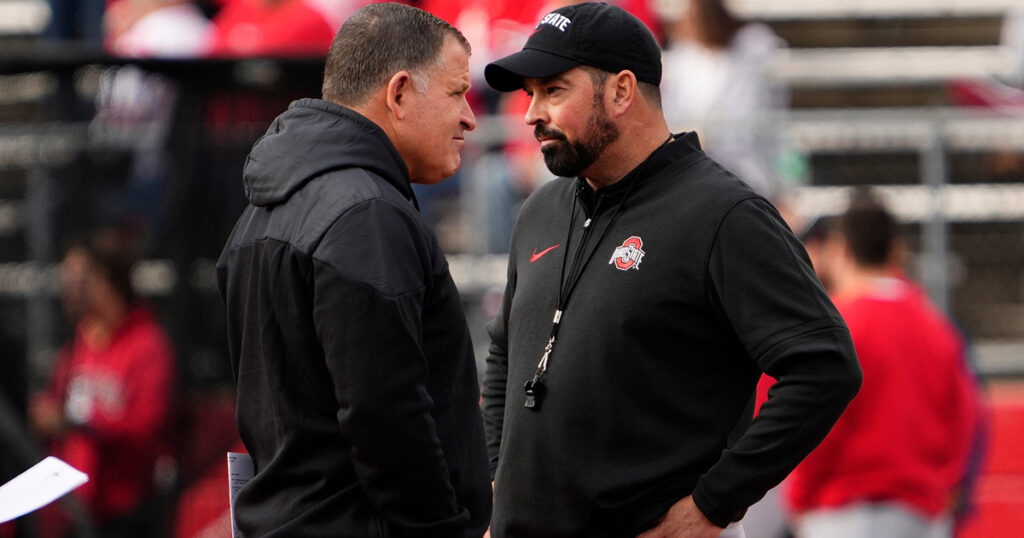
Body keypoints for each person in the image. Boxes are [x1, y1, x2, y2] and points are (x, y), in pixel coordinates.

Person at [480, 3, 862, 537]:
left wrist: (714, 502)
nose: (530, 113)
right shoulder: (541, 210)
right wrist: (499, 481)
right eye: (531, 94)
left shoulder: (724, 214)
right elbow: (506, 353)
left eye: (554, 90)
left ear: (621, 91)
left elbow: (826, 366)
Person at [216, 3, 491, 536]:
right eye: (457, 92)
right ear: (400, 92)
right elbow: (386, 418)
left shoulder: (261, 211)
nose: (470, 116)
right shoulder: (366, 213)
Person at [784, 190, 983, 538]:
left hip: (844, 511)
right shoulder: (936, 326)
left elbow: (810, 423)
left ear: (839, 249)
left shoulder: (838, 327)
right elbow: (966, 419)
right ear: (896, 250)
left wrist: (800, 498)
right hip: (924, 512)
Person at [28, 227, 176, 537]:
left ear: (109, 280)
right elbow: (58, 407)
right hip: (78, 511)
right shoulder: (80, 339)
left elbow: (147, 428)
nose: (73, 290)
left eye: (83, 279)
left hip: (126, 513)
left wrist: (79, 423)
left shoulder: (147, 342)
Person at [657, 0, 789, 202]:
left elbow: (748, 119)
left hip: (741, 166)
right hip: (692, 162)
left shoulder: (753, 46)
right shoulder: (684, 54)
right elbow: (671, 114)